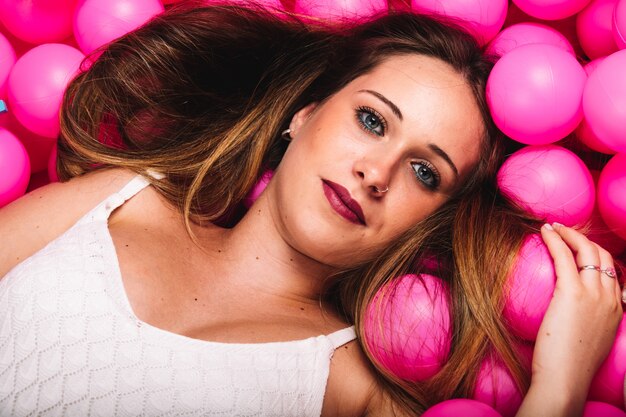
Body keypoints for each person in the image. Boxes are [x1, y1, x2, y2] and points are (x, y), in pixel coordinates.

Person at [0, 2, 622, 416]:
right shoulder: (118, 200)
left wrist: (560, 389)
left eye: (425, 172)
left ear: (428, 222)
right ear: (305, 113)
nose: (375, 174)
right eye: (372, 120)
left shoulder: (352, 392)